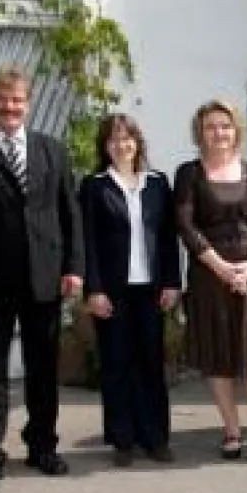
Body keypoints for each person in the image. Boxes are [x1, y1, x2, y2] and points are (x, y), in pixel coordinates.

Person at [0, 64, 83, 493]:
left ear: (29, 102)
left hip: (45, 278)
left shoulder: (52, 150)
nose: (10, 107)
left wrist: (74, 268)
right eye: (2, 99)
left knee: (43, 368)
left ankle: (42, 444)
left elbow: (69, 215)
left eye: (18, 99)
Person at [174, 100, 247, 465]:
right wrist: (223, 268)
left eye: (224, 125)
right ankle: (230, 431)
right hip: (210, 275)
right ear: (200, 132)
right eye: (210, 126)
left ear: (236, 130)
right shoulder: (188, 174)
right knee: (219, 355)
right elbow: (186, 226)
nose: (218, 133)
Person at [79, 114, 182, 466]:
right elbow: (87, 243)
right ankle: (122, 440)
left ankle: (155, 438)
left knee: (152, 364)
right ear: (104, 146)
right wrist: (93, 290)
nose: (121, 145)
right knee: (117, 365)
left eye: (127, 138)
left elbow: (168, 239)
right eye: (113, 140)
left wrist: (172, 282)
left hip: (151, 289)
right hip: (112, 291)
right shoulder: (94, 186)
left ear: (137, 142)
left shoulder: (157, 184)